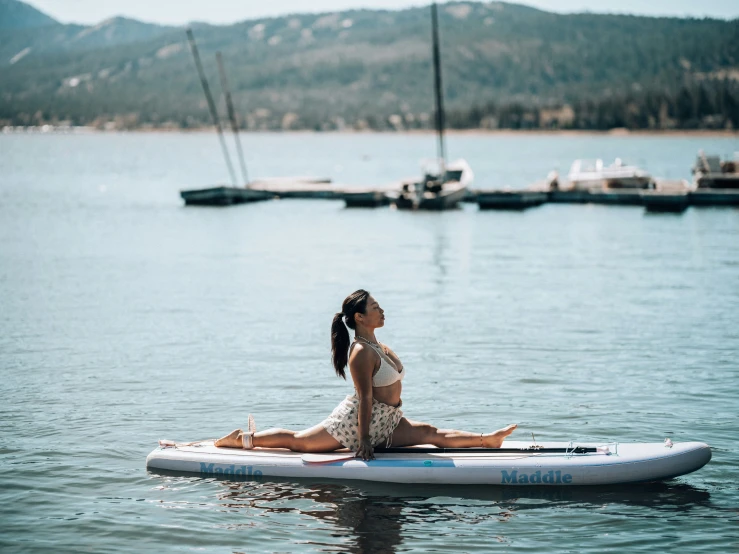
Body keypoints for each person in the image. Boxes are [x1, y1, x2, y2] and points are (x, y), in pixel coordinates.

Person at [215, 289, 517, 460]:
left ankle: (487, 440)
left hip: (387, 419)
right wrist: (363, 441)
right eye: (375, 307)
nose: (382, 310)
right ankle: (242, 439)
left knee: (430, 433)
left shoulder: (378, 344)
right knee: (300, 442)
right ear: (359, 317)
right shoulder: (360, 352)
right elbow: (365, 399)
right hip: (358, 422)